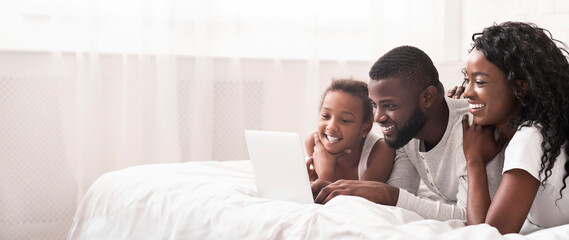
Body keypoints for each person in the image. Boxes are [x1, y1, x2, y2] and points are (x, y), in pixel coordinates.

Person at [311, 45, 504, 222]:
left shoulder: (474, 132)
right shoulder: (405, 134)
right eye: (374, 105)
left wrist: (388, 195)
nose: (377, 117)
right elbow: (402, 197)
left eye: (389, 106)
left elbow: (472, 218)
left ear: (427, 97)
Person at [461, 21, 569, 234]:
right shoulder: (540, 131)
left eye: (479, 82)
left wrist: (474, 160)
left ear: (520, 87)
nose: (466, 92)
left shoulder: (530, 137)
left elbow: (488, 234)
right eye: (467, 80)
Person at [305, 79, 395, 183]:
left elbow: (360, 199)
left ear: (365, 129)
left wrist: (326, 173)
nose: (331, 127)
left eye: (345, 120)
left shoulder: (381, 150)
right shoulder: (314, 143)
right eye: (326, 116)